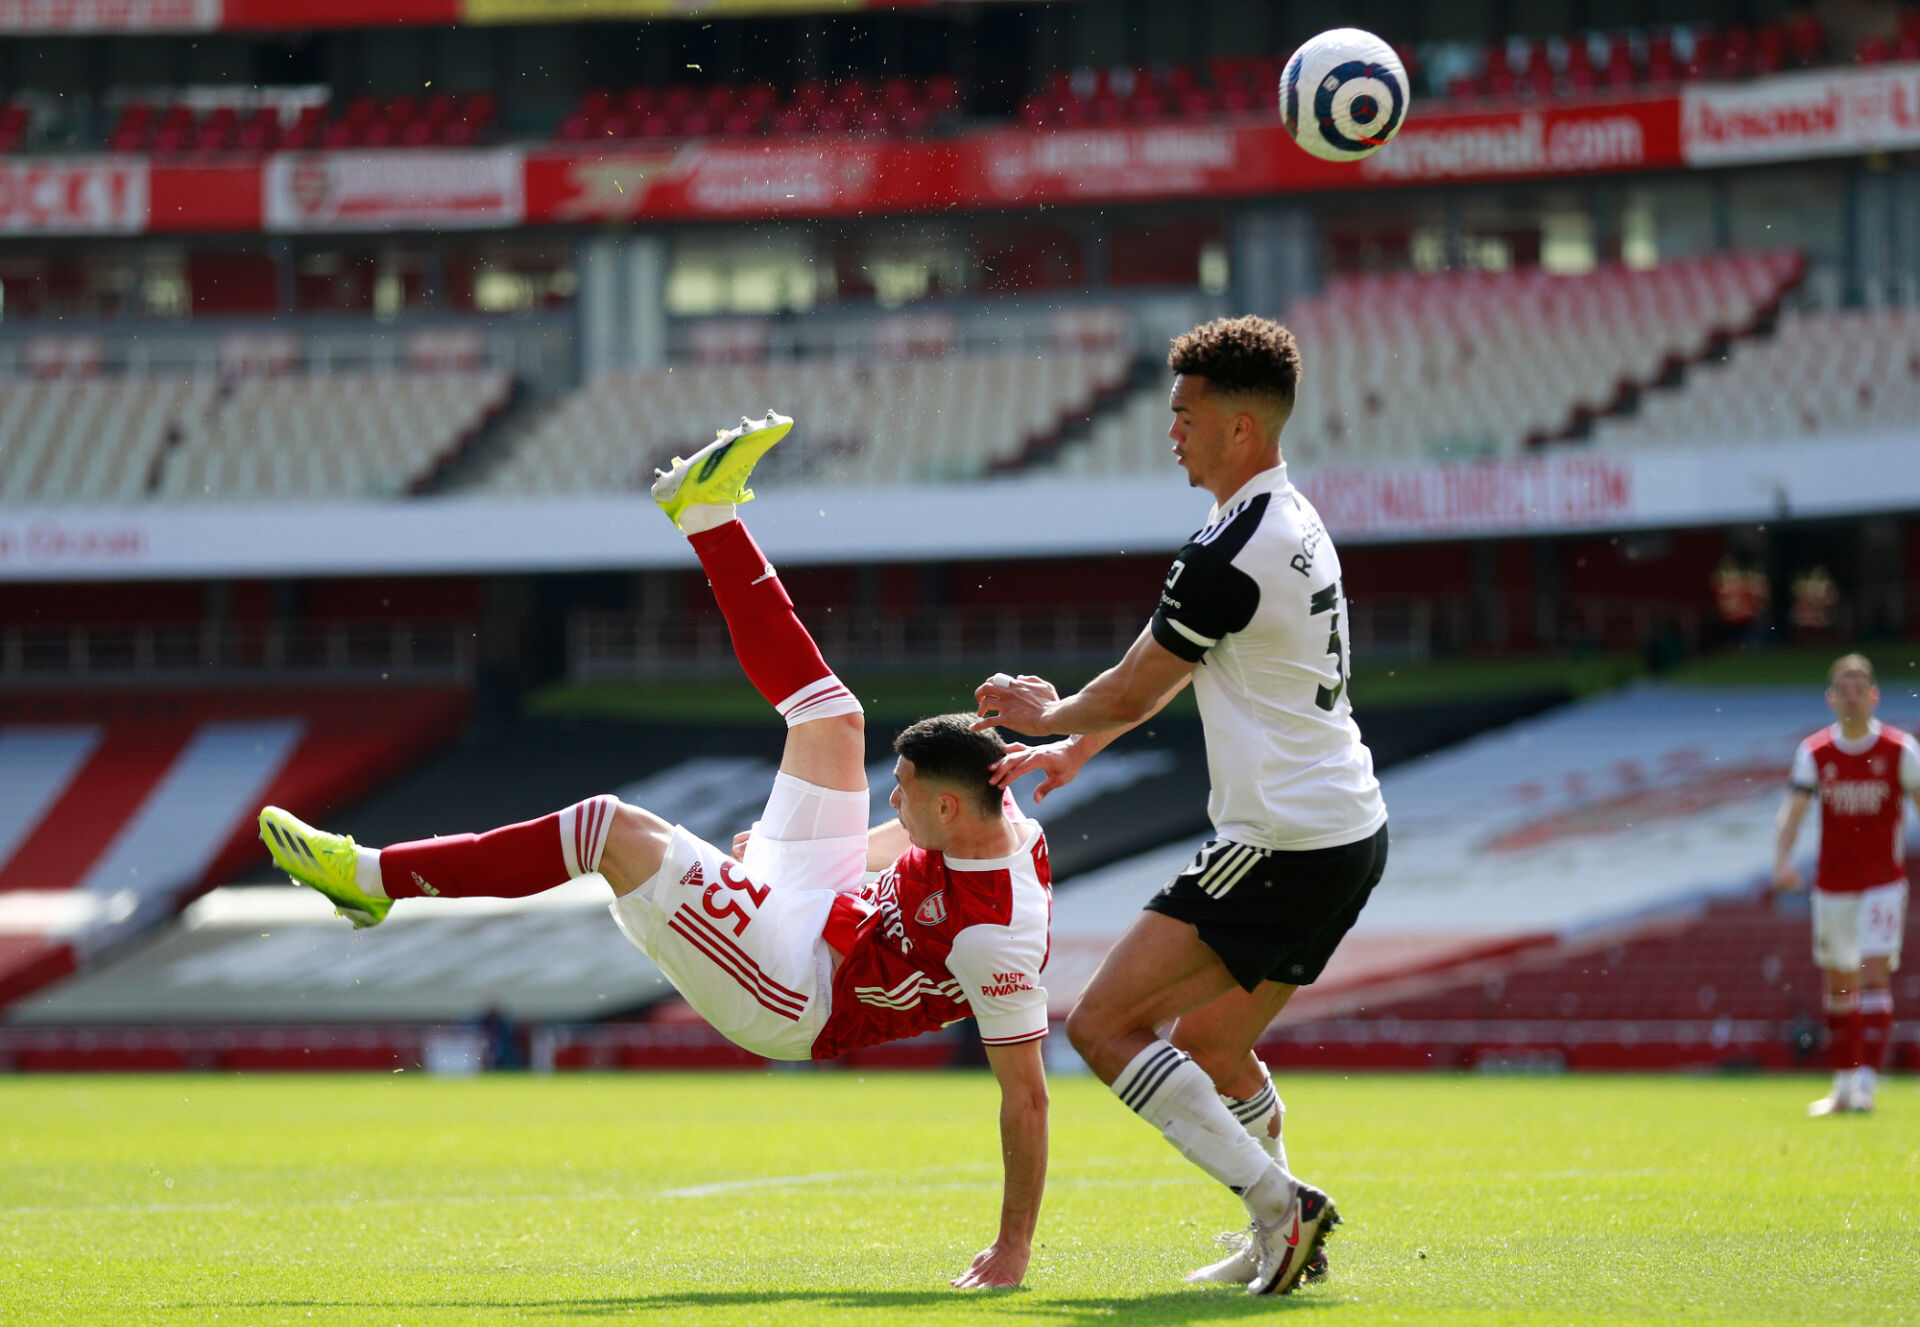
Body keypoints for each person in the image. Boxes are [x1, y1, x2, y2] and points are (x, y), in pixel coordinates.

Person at [259, 413, 1053, 1289]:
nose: (890, 793)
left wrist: (1012, 1247)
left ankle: (372, 879)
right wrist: (789, 863)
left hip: (801, 990)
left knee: (608, 827)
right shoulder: (992, 819)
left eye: (903, 786)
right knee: (833, 717)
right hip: (821, 909)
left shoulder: (996, 935)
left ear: (950, 802)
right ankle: (708, 511)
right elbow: (906, 835)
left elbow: (1026, 1094)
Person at [973, 316, 1387, 1295]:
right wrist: (1081, 745)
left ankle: (1282, 1212)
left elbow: (1130, 686)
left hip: (1283, 839)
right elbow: (1173, 674)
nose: (1173, 430)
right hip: (1346, 829)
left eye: (1186, 413)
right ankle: (1284, 1229)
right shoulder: (1285, 517)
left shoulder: (1230, 548)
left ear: (1240, 427)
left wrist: (1052, 716)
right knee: (1214, 1041)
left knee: (1104, 1027)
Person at [1774, 652, 1918, 1116]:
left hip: (1882, 882)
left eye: (1861, 689)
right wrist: (1781, 858)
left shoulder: (1901, 750)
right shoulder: (1815, 752)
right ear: (1831, 698)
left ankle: (1866, 1085)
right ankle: (1842, 1083)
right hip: (1833, 883)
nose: (1853, 698)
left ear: (1874, 696)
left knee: (1874, 974)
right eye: (1845, 690)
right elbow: (1793, 811)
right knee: (1838, 982)